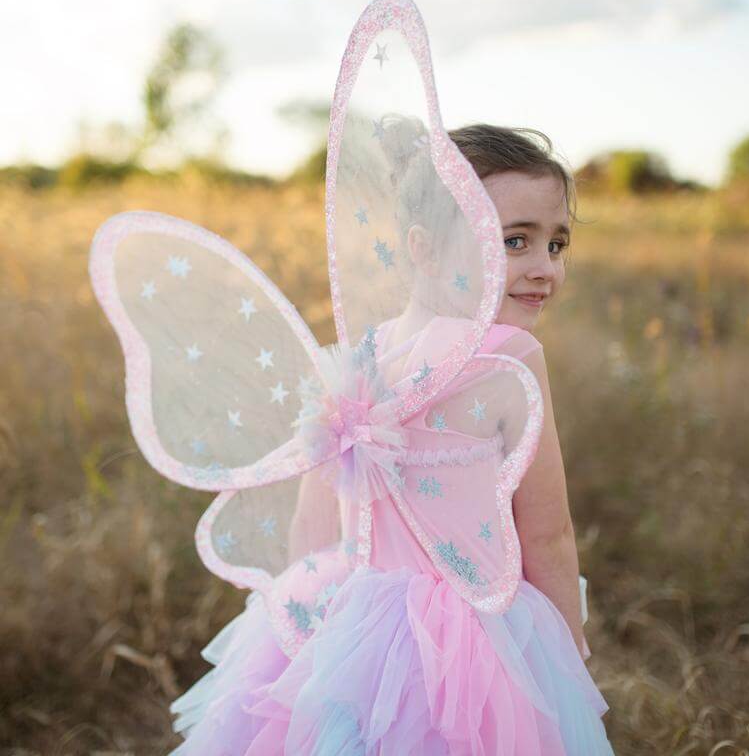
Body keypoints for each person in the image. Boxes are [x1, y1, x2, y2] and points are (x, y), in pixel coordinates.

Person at [167, 121, 615, 755]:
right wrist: (566, 655)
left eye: (558, 244)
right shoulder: (509, 357)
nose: (544, 269)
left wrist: (313, 624)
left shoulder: (359, 357)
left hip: (348, 626)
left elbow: (313, 524)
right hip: (468, 642)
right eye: (515, 241)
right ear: (425, 250)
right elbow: (548, 532)